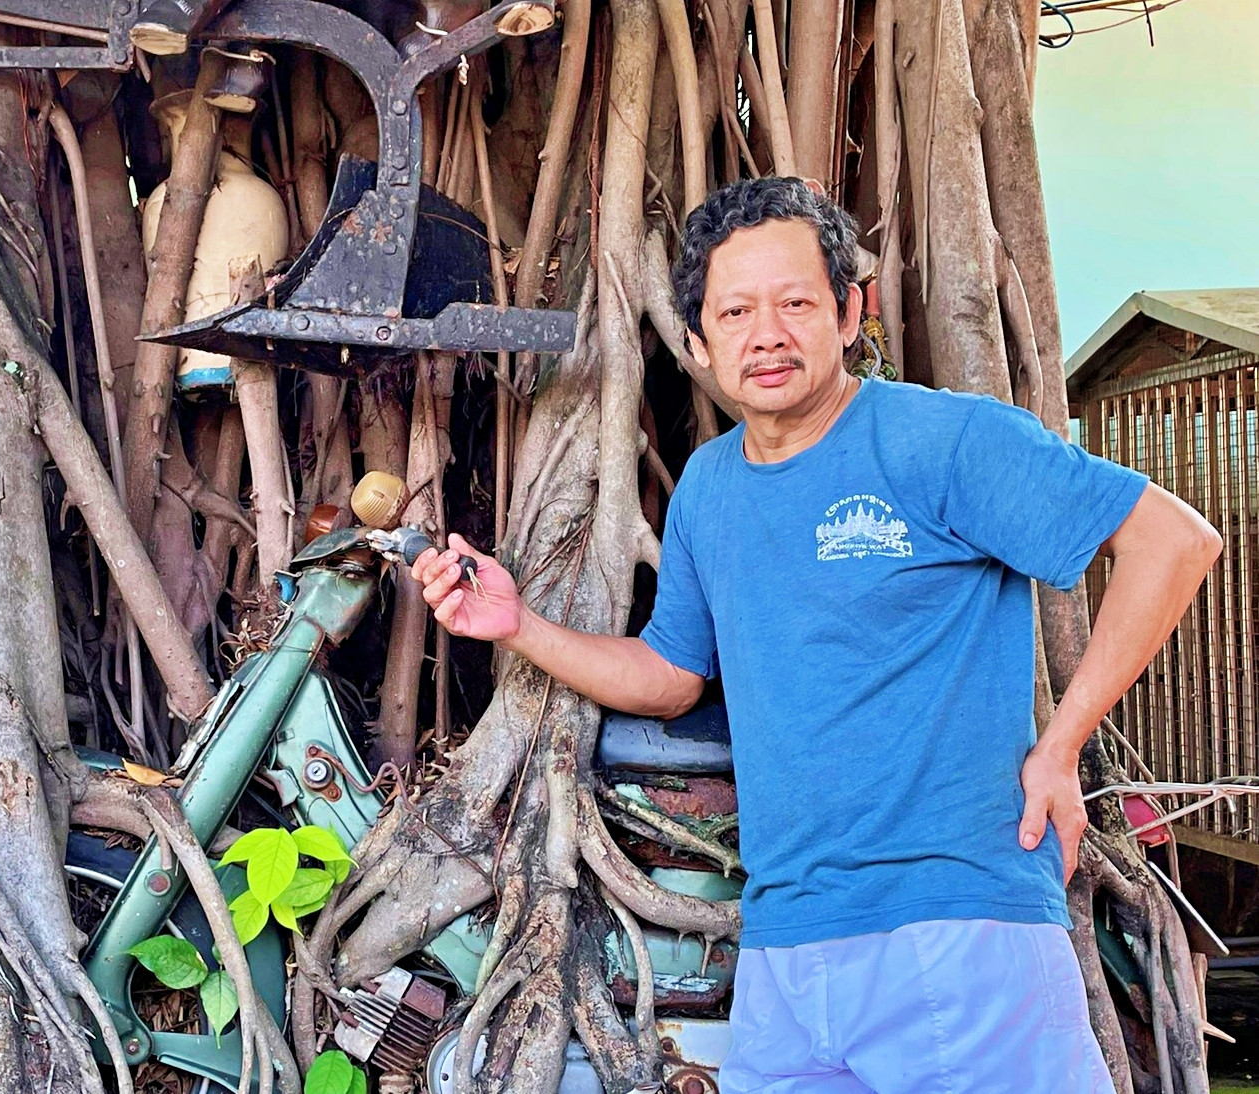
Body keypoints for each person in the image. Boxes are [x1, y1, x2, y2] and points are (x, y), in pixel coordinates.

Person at [409, 177, 1222, 1093]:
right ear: (697, 342)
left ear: (849, 314)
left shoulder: (939, 440)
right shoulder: (708, 491)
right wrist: (518, 625)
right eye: (736, 312)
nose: (767, 334)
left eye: (796, 303)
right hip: (788, 951)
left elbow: (1174, 543)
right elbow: (672, 675)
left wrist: (1062, 747)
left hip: (958, 929)